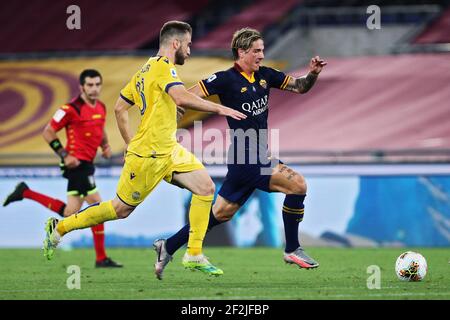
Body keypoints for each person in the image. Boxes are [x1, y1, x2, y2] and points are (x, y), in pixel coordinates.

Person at [41, 21, 246, 278]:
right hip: (148, 156)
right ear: (176, 44)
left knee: (206, 188)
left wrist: (129, 142)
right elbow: (181, 97)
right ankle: (59, 228)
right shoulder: (163, 68)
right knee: (120, 210)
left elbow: (119, 108)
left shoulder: (144, 70)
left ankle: (193, 253)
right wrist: (220, 108)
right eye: (189, 45)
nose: (190, 51)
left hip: (168, 150)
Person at [153, 27, 327, 279]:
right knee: (298, 185)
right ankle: (292, 248)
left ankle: (168, 246)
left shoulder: (266, 75)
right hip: (248, 156)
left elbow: (300, 87)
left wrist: (312, 74)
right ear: (241, 51)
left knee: (220, 213)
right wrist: (179, 114)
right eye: (256, 50)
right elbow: (185, 97)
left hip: (246, 159)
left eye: (263, 50)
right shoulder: (224, 79)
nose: (261, 55)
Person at [3, 69, 122, 268]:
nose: (94, 89)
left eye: (97, 85)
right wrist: (64, 155)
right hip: (77, 166)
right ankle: (101, 258)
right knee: (98, 207)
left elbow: (99, 129)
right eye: (90, 85)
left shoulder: (100, 107)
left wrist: (106, 146)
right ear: (82, 87)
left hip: (87, 164)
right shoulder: (69, 109)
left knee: (70, 212)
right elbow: (48, 132)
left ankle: (26, 192)